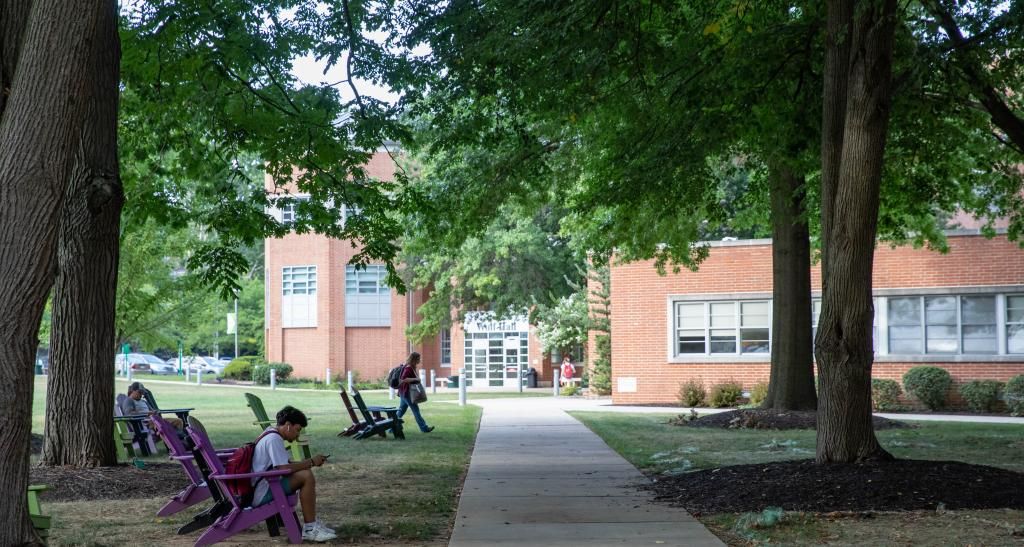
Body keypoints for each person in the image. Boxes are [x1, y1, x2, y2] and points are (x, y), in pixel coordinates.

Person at [252, 405, 336, 542]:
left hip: (265, 485)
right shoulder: (274, 439)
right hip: (262, 492)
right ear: (288, 425)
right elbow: (283, 469)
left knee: (304, 472)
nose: (298, 435)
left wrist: (308, 463)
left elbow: (283, 465)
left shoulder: (270, 433)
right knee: (306, 476)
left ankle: (312, 525)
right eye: (297, 430)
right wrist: (311, 462)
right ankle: (310, 529)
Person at [397, 351, 434, 433]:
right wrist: (416, 379)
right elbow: (403, 379)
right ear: (414, 359)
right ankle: (424, 428)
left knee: (401, 411)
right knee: (416, 411)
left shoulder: (411, 367)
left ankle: (391, 427)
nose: (420, 360)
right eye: (418, 358)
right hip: (407, 393)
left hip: (403, 392)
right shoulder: (408, 368)